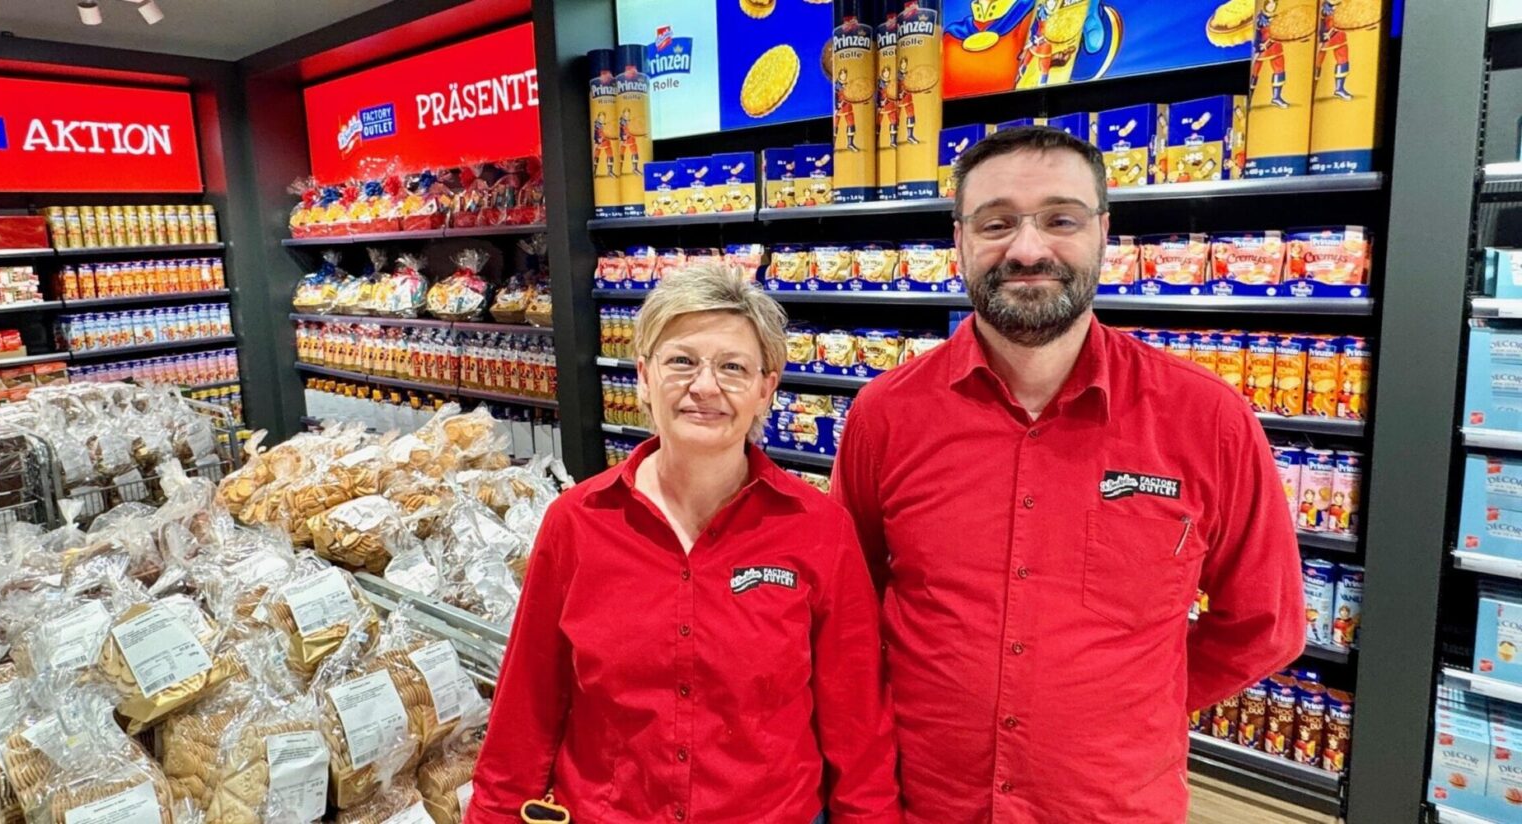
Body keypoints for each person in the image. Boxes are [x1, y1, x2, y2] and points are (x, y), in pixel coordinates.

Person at [831, 125, 1304, 823]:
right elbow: (848, 609)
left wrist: (1136, 700)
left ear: (1104, 233)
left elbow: (1265, 623)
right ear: (959, 240)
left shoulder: (1208, 418)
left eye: (1061, 220)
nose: (1027, 250)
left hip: (1112, 807)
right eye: (996, 223)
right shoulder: (886, 414)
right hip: (925, 802)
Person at [467, 263, 901, 824]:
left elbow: (858, 730)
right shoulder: (576, 523)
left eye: (732, 367)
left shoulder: (819, 530)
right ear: (644, 377)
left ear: (766, 389)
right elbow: (526, 710)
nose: (705, 387)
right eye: (681, 361)